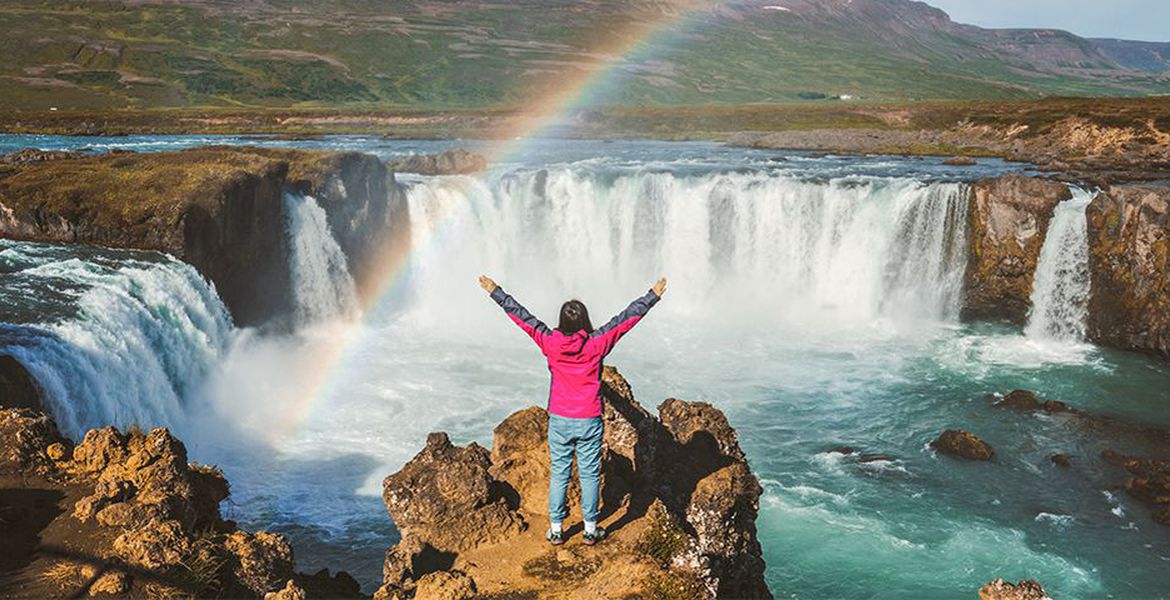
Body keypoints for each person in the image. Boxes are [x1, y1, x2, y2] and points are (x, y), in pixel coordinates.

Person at [479, 275, 667, 546]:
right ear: (584, 321)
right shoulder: (596, 344)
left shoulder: (550, 342)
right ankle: (590, 529)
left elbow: (523, 318)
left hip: (560, 419)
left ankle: (556, 530)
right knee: (590, 474)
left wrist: (495, 292)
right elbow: (625, 320)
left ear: (563, 321)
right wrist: (653, 295)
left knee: (560, 473)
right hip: (589, 419)